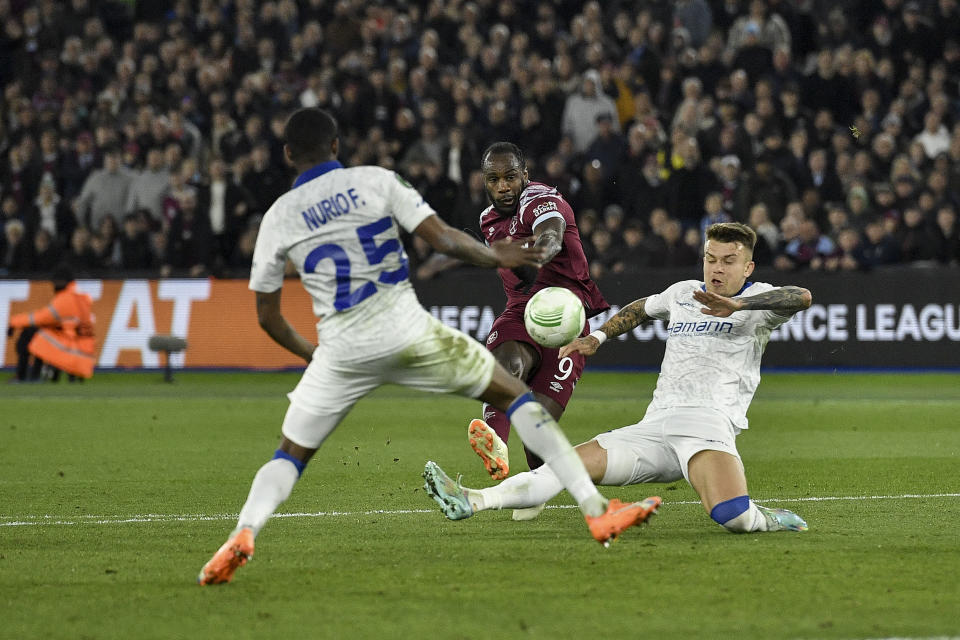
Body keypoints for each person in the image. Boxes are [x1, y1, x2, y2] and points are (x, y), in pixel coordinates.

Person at [197, 108, 658, 586]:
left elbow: (267, 317)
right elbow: (442, 239)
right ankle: (597, 510)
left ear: (289, 154)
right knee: (516, 398)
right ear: (336, 147)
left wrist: (315, 357)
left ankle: (243, 533)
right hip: (407, 330)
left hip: (339, 349)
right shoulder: (377, 181)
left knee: (288, 454)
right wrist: (498, 254)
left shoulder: (276, 217)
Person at [423, 222, 811, 534]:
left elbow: (801, 296)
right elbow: (642, 308)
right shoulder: (684, 293)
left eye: (729, 261)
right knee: (561, 466)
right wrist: (597, 336)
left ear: (748, 268)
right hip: (655, 426)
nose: (717, 269)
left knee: (734, 518)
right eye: (711, 259)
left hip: (707, 423)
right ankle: (472, 499)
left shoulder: (759, 300)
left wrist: (738, 304)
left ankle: (767, 519)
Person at [465, 142, 609, 521]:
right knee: (505, 364)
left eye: (511, 176)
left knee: (537, 436)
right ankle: (495, 438)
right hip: (521, 310)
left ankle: (534, 486)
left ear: (524, 175)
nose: (503, 186)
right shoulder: (487, 221)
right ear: (485, 182)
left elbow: (551, 235)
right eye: (493, 179)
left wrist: (535, 255)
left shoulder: (541, 200)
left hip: (568, 314)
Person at [7, 263, 95, 382]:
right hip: (84, 354)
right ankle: (35, 375)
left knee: (31, 334)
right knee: (40, 333)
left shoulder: (65, 299)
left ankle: (25, 376)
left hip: (71, 351)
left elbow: (39, 318)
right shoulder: (81, 297)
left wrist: (13, 322)